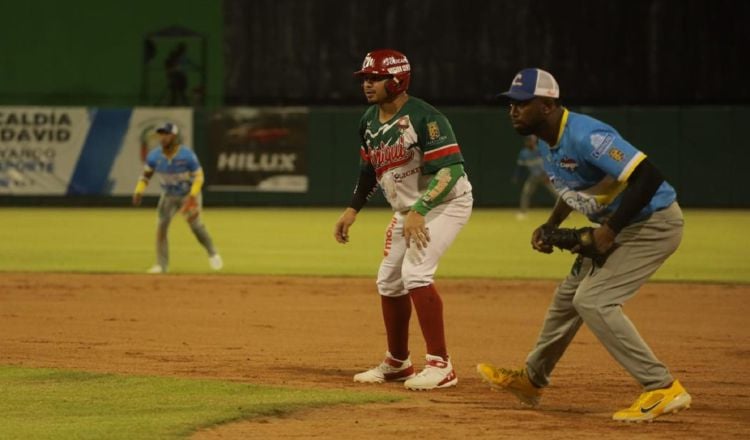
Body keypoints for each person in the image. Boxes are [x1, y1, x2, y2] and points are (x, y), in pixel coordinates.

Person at [476, 68, 691, 422]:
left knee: (593, 300)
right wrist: (551, 224)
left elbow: (649, 176)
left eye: (521, 103)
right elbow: (572, 190)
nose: (512, 110)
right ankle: (532, 380)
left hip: (652, 224)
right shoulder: (545, 141)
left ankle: (662, 387)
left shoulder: (588, 135)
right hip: (621, 226)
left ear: (548, 105)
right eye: (510, 104)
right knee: (567, 298)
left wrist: (609, 229)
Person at [333, 49, 473, 390]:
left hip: (445, 203)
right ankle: (398, 362)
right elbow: (369, 170)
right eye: (365, 78)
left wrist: (420, 210)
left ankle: (442, 366)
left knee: (415, 272)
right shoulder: (368, 120)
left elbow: (451, 171)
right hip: (408, 211)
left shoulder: (427, 118)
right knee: (389, 281)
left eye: (375, 77)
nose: (368, 84)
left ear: (397, 79)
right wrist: (353, 209)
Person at [132, 122, 223, 274]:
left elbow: (199, 177)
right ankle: (162, 265)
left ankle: (212, 253)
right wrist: (138, 191)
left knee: (196, 227)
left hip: (187, 195)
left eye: (166, 134)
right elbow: (146, 176)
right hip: (168, 196)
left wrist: (193, 196)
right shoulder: (154, 156)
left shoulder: (187, 155)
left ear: (174, 136)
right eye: (161, 134)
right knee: (161, 228)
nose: (163, 137)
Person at [512, 134, 557, 220]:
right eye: (527, 141)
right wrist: (516, 176)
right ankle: (523, 212)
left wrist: (549, 174)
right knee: (526, 193)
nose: (529, 142)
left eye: (531, 140)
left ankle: (563, 212)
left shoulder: (540, 149)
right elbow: (520, 167)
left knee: (556, 193)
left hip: (545, 175)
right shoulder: (523, 153)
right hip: (533, 176)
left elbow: (549, 162)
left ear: (534, 141)